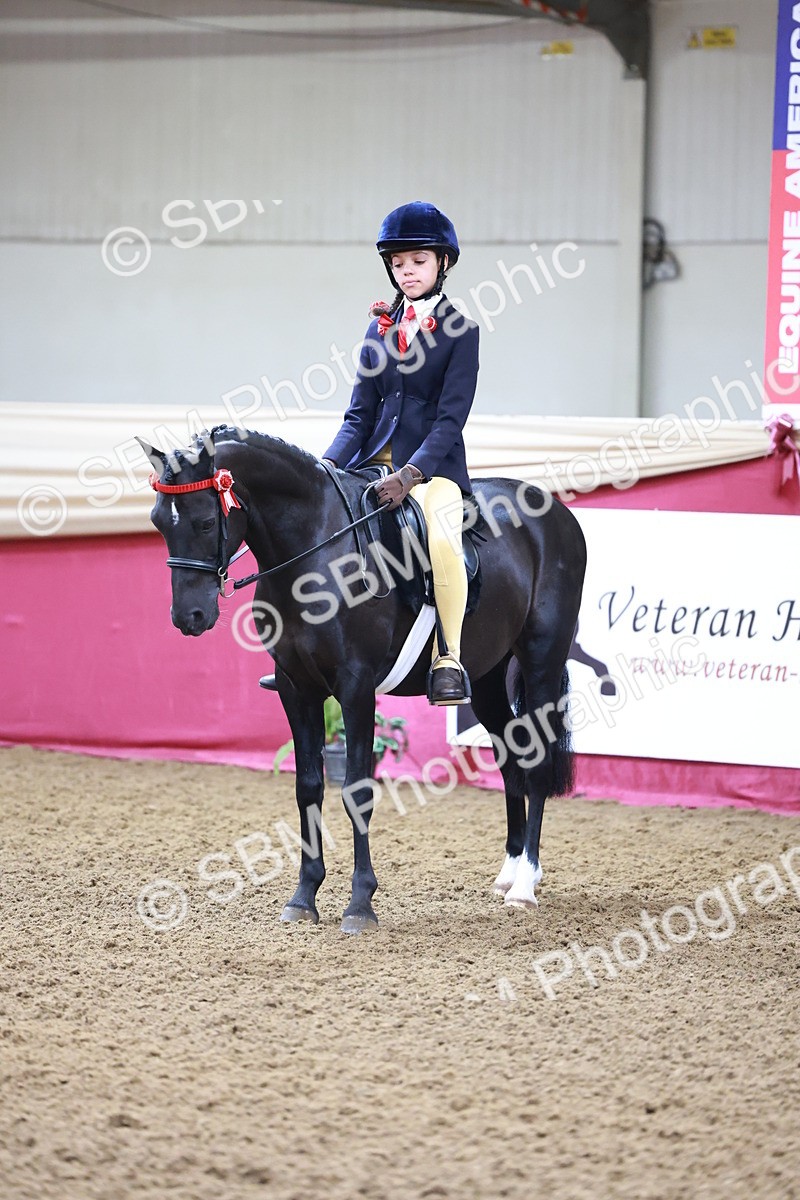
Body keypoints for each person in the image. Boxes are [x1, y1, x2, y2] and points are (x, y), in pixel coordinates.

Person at [260, 200, 479, 705]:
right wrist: (326, 467)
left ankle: (449, 657)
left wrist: (411, 475)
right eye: (399, 264)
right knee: (311, 530)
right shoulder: (377, 329)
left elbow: (450, 420)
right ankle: (298, 653)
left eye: (418, 262)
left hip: (431, 472)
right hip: (367, 465)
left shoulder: (460, 333)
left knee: (443, 540)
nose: (407, 272)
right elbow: (359, 414)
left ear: (442, 263)